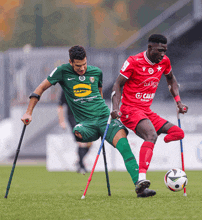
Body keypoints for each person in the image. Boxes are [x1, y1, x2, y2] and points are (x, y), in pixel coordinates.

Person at [21, 45, 155, 198]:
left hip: (105, 118)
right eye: (78, 66)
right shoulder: (61, 71)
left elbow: (98, 95)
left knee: (125, 147)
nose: (82, 68)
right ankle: (81, 161)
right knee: (78, 133)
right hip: (85, 123)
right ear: (71, 62)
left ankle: (140, 187)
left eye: (84, 64)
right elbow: (39, 89)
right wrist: (28, 112)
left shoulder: (96, 72)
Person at [111, 34, 188, 194]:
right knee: (151, 135)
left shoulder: (164, 61)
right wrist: (116, 108)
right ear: (150, 48)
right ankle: (141, 179)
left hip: (146, 111)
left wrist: (178, 102)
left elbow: (171, 80)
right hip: (130, 109)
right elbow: (118, 84)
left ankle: (157, 137)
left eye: (165, 51)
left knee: (178, 133)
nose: (162, 54)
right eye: (160, 50)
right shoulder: (134, 61)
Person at [58, 90, 92, 173]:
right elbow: (60, 106)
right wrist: (61, 121)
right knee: (81, 141)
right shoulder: (66, 89)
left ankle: (79, 162)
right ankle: (82, 167)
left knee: (89, 143)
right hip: (73, 117)